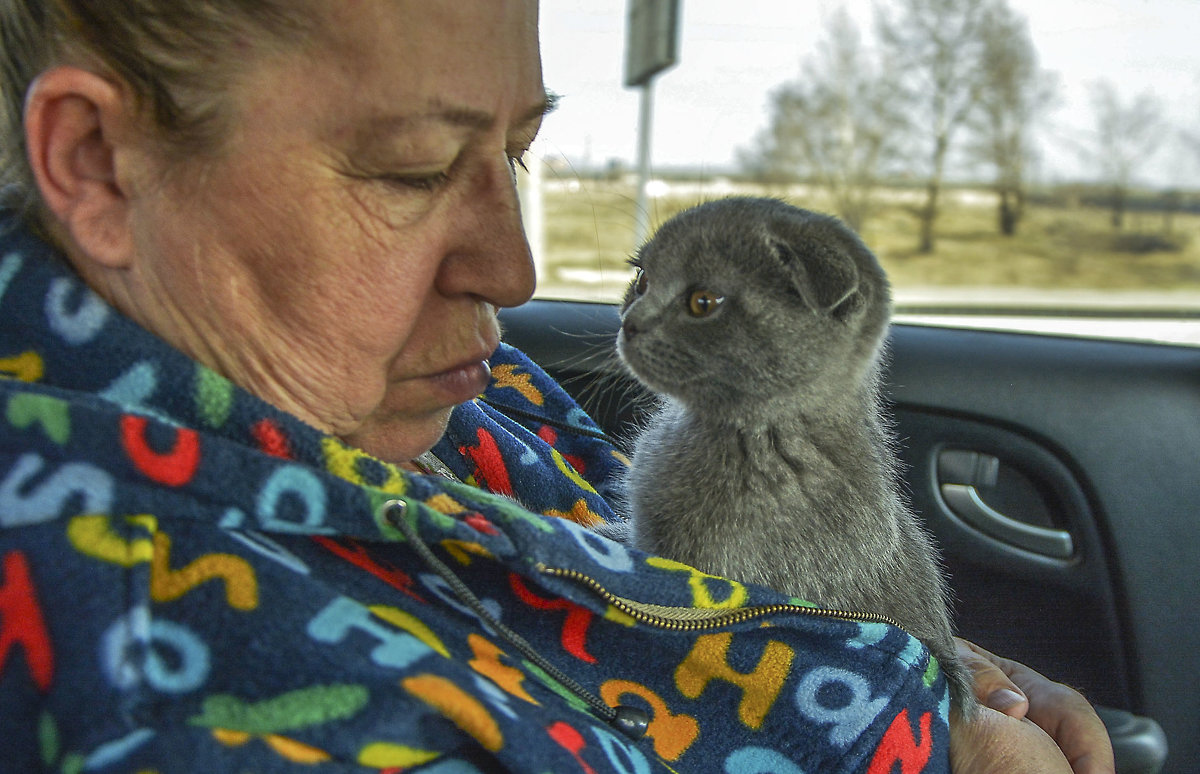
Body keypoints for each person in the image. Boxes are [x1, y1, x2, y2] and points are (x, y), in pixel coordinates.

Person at [0, 1, 1114, 772]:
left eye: (519, 153)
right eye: (415, 171)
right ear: (98, 163)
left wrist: (907, 659)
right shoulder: (187, 699)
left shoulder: (397, 387)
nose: (514, 271)